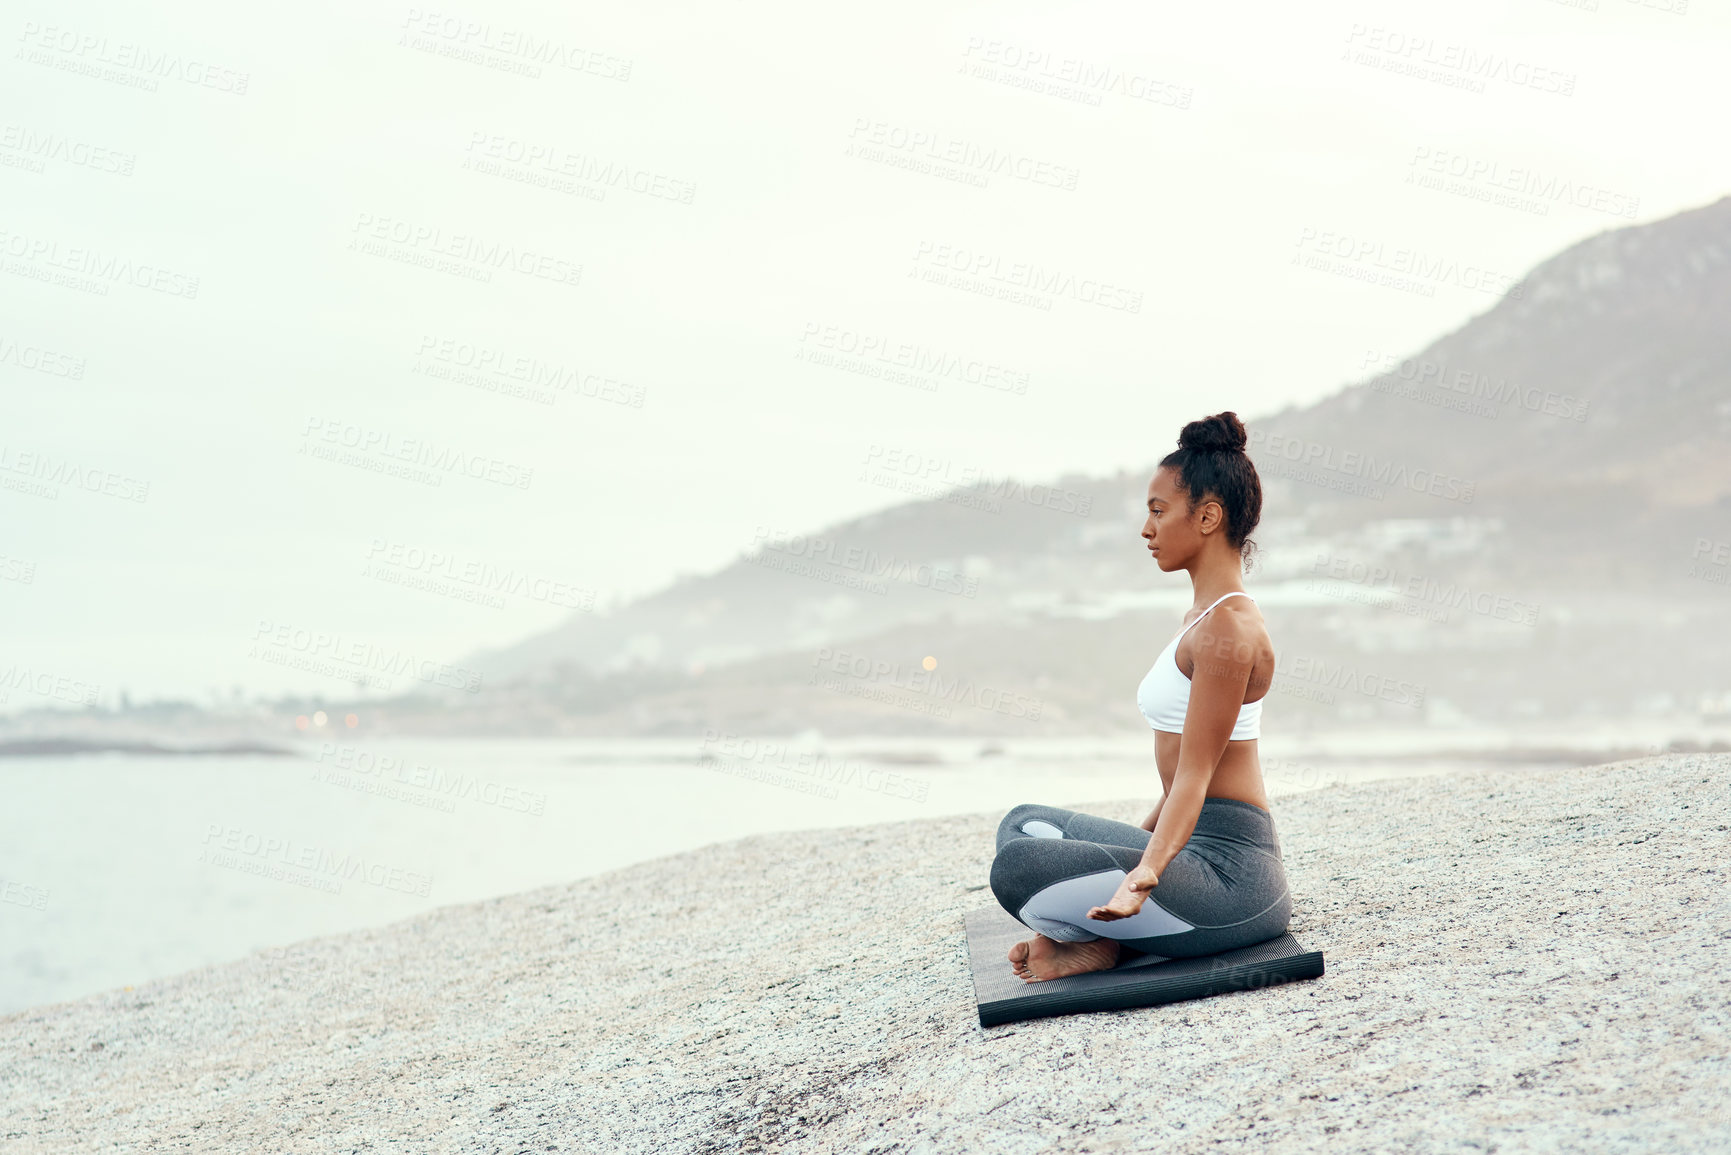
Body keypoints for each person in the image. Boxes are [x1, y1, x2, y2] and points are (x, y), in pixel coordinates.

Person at [990, 411, 1293, 982]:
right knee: (1025, 827)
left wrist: (1143, 875)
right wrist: (1130, 851)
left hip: (1235, 878)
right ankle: (1099, 941)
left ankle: (1104, 939)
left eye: (1158, 511)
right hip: (1191, 849)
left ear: (1207, 517)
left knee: (1018, 871)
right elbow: (1181, 782)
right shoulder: (1200, 619)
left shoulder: (1228, 631)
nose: (1146, 529)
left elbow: (1196, 776)